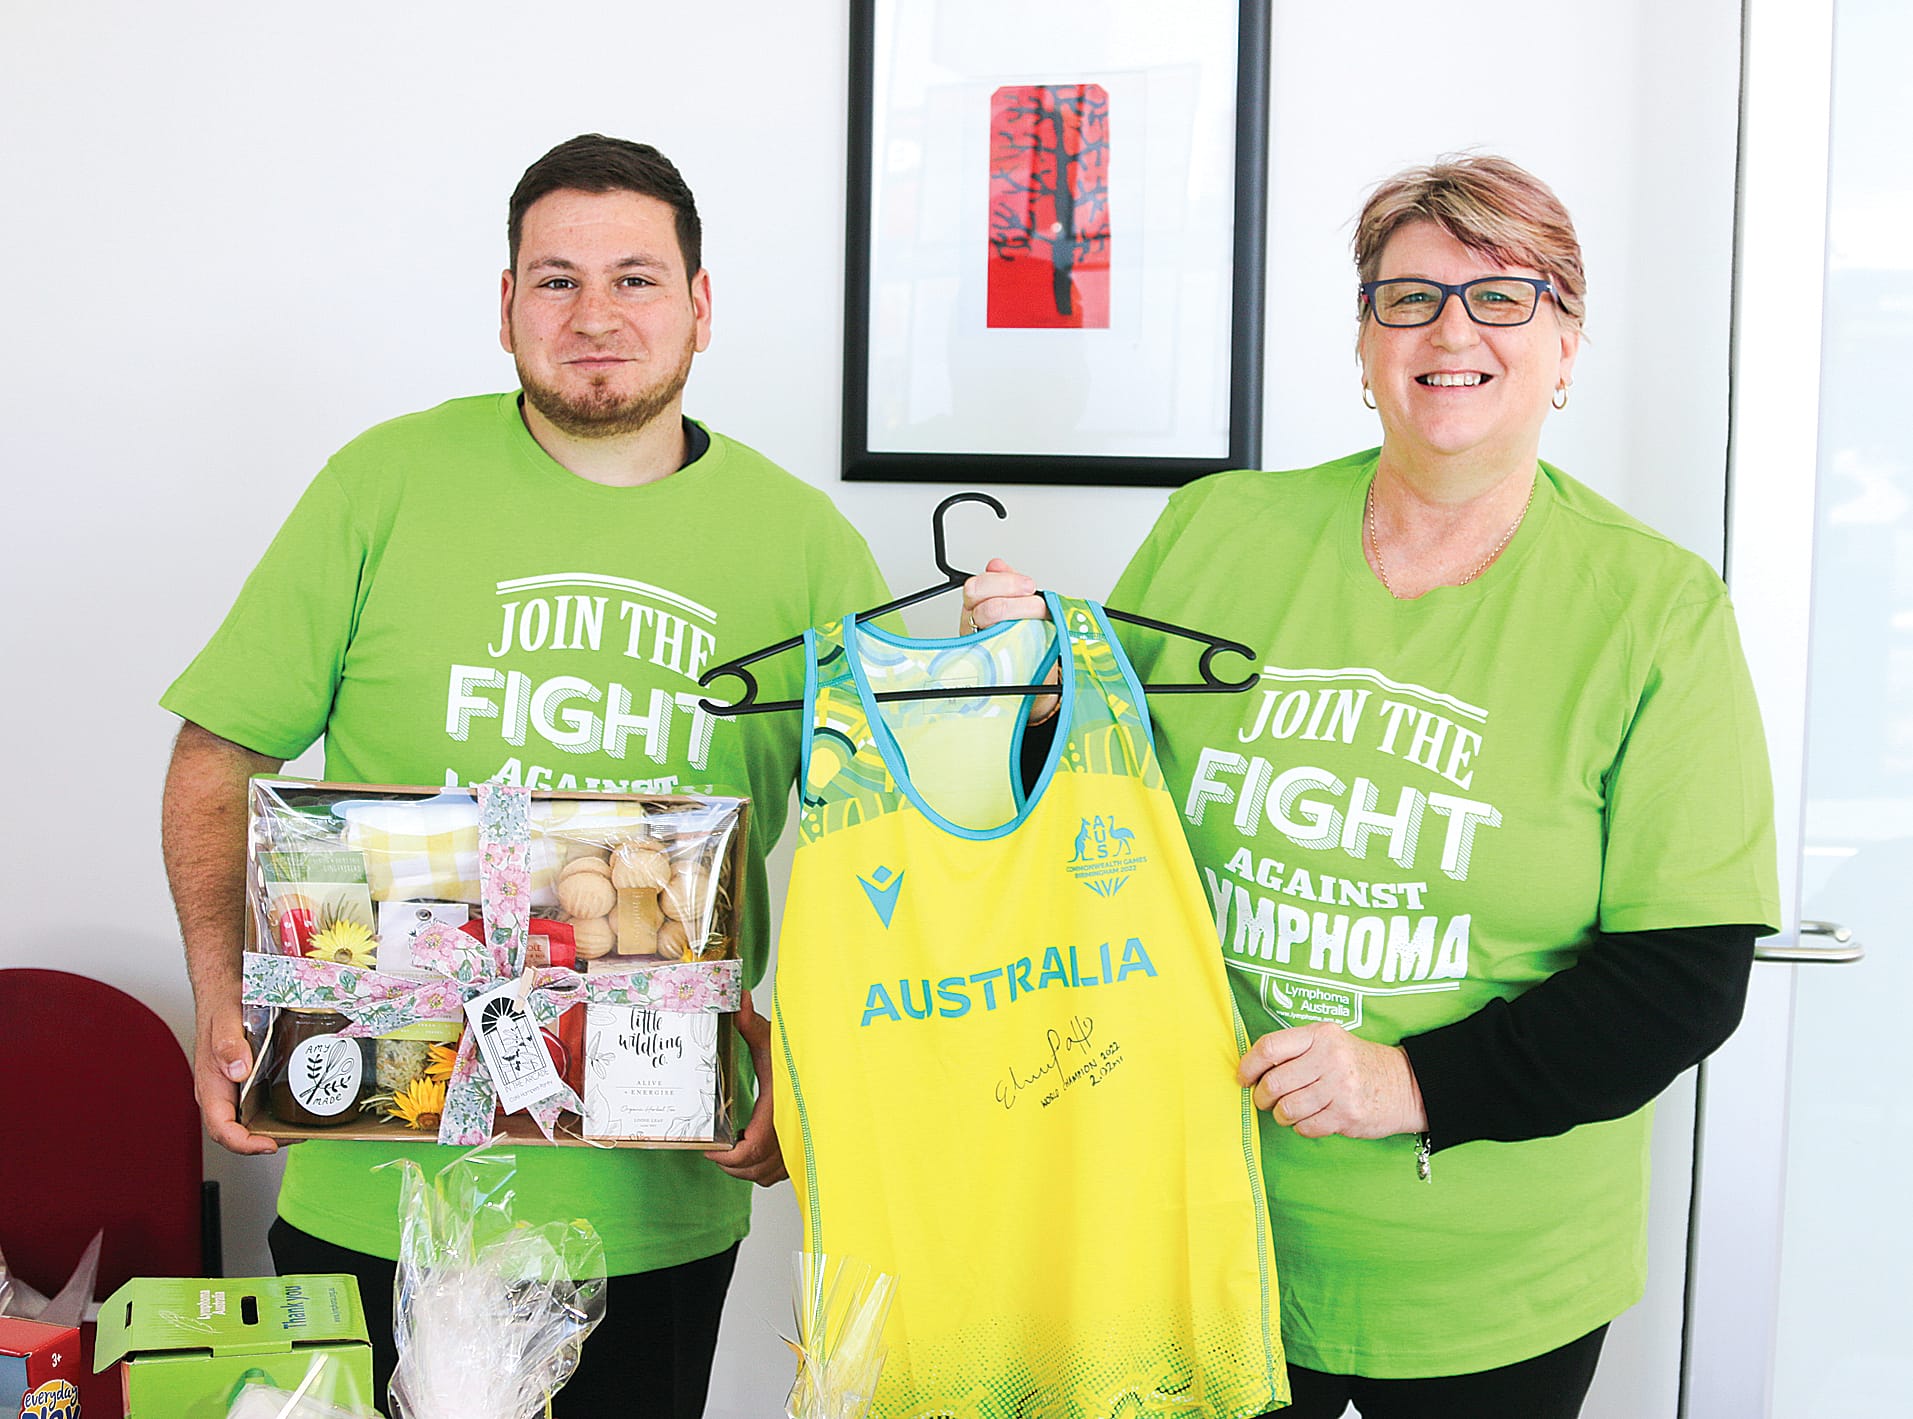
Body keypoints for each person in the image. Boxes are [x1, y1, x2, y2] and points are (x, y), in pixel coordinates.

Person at [964, 154, 1779, 1419]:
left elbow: (1681, 978)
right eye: (1407, 298)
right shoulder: (1215, 533)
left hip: (1488, 1280)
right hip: (1194, 1223)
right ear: (1361, 345)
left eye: (1502, 295)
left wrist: (1406, 1086)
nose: (1450, 330)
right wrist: (1019, 692)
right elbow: (1083, 818)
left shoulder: (1655, 610)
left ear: (1565, 346)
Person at [160, 133, 889, 1418]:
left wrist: (815, 1060)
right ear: (504, 309)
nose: (594, 315)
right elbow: (222, 749)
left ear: (701, 307)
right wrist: (225, 990)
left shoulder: (807, 550)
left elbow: (886, 858)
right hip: (372, 1159)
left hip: (652, 1195)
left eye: (636, 279)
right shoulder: (383, 485)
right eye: (553, 280)